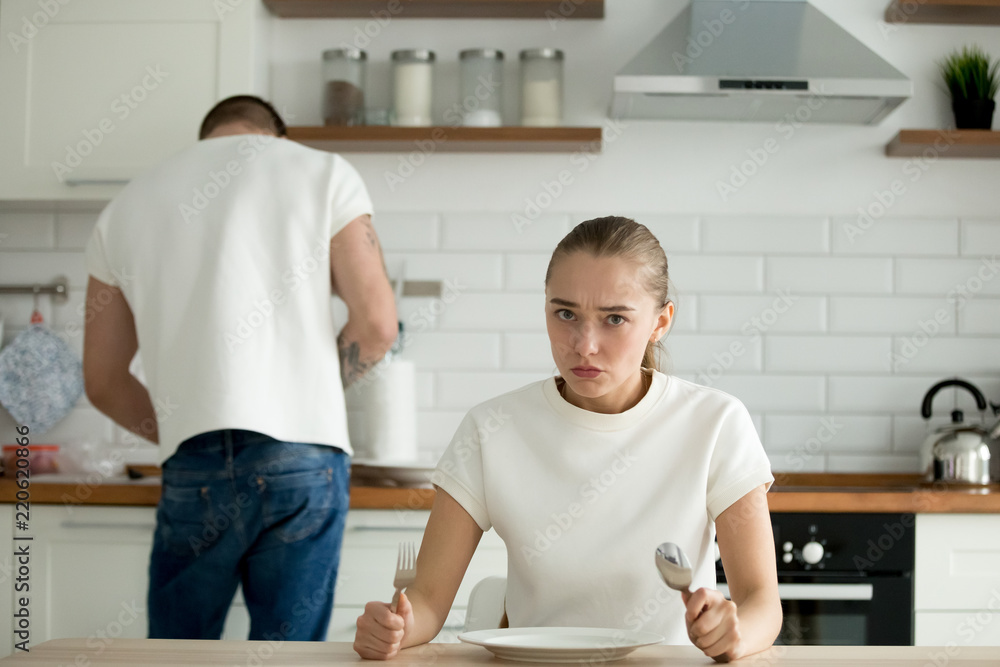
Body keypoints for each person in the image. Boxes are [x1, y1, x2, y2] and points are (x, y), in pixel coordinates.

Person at [353, 216, 781, 662]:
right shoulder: (491, 428)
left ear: (660, 322)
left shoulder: (716, 423)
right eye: (566, 314)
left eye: (614, 318)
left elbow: (762, 604)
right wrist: (395, 628)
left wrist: (734, 634)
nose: (584, 345)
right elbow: (426, 600)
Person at [83, 95, 397, 641]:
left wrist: (181, 423)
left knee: (177, 656)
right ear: (276, 135)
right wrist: (310, 397)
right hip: (302, 457)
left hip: (192, 461)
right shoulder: (323, 172)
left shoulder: (127, 205)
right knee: (287, 657)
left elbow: (103, 380)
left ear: (206, 139)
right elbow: (377, 325)